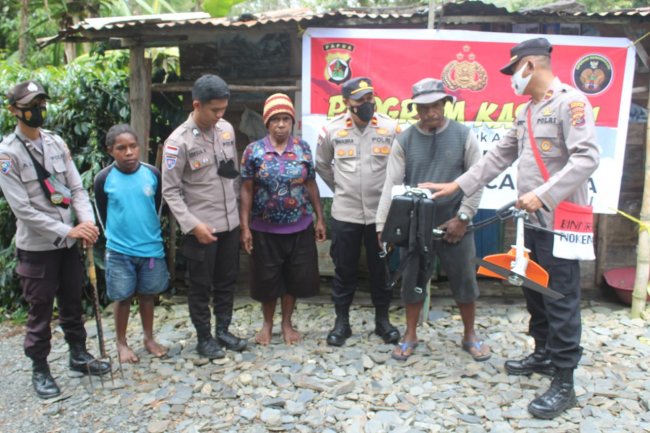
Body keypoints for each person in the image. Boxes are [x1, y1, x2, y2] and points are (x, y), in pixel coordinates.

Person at [425, 38, 600, 419]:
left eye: (513, 70)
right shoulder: (527, 112)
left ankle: (565, 380)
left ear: (531, 66)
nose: (511, 79)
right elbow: (499, 156)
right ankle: (543, 353)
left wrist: (543, 193)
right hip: (533, 221)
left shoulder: (571, 103)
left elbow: (587, 158)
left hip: (561, 220)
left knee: (561, 296)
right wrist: (457, 186)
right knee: (534, 288)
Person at [0, 80, 110, 399]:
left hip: (69, 243)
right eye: (31, 105)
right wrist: (68, 230)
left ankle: (79, 355)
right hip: (38, 249)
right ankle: (41, 369)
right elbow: (23, 210)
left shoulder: (55, 142)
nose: (38, 110)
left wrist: (86, 223)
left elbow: (75, 189)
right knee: (41, 309)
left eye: (41, 103)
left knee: (73, 301)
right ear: (14, 110)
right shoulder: (7, 154)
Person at [375, 77, 490, 363]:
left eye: (437, 105)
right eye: (425, 107)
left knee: (464, 281)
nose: (431, 112)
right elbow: (391, 185)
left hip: (457, 224)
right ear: (416, 109)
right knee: (412, 281)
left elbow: (477, 180)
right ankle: (410, 334)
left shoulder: (464, 135)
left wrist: (463, 217)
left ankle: (469, 335)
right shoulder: (404, 140)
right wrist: (382, 227)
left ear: (445, 104)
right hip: (416, 226)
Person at [162, 74, 247, 360]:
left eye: (223, 109)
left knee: (227, 280)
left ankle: (223, 330)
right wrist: (192, 225)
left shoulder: (226, 130)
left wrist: (238, 217)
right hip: (201, 228)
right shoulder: (178, 142)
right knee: (199, 286)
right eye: (215, 110)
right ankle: (204, 338)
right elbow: (170, 192)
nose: (220, 115)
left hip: (229, 223)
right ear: (196, 105)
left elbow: (232, 174)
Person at [316, 77, 401, 347]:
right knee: (344, 270)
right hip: (346, 214)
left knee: (381, 270)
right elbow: (322, 165)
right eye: (360, 100)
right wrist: (342, 188)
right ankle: (342, 322)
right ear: (346, 103)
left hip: (381, 216)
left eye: (370, 98)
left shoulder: (390, 128)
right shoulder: (332, 130)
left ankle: (383, 321)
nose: (367, 104)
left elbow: (399, 168)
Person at [240, 93, 326, 345]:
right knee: (267, 279)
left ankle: (286, 323)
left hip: (299, 226)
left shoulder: (302, 149)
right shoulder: (253, 151)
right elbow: (246, 189)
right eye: (275, 119)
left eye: (285, 119)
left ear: (292, 122)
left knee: (294, 277)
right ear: (267, 123)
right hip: (264, 228)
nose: (280, 124)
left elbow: (311, 184)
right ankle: (267, 324)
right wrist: (245, 227)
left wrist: (320, 218)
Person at [94, 124, 169, 364]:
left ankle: (148, 338)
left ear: (140, 146)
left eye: (133, 146)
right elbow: (103, 215)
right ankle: (122, 343)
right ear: (110, 151)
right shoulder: (103, 179)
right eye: (121, 148)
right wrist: (117, 242)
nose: (129, 152)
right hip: (119, 251)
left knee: (148, 295)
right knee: (123, 297)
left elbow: (157, 208)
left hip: (151, 249)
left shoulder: (152, 174)